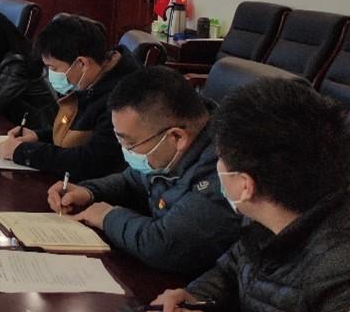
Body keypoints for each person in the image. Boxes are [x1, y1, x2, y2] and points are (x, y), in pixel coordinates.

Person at [149, 79, 350, 312]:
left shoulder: (343, 266)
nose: (217, 168)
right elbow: (233, 268)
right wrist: (193, 298)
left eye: (220, 160)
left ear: (244, 184)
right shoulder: (272, 212)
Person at [48, 66, 242, 274]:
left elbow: (163, 245)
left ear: (176, 137)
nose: (125, 150)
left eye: (130, 143)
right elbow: (132, 181)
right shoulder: (168, 149)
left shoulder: (225, 170)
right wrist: (89, 192)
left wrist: (107, 217)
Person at [0, 14, 140, 180]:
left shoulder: (123, 98)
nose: (50, 75)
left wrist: (23, 152)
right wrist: (39, 137)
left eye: (54, 68)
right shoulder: (94, 77)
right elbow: (81, 133)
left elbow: (92, 162)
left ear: (82, 63)